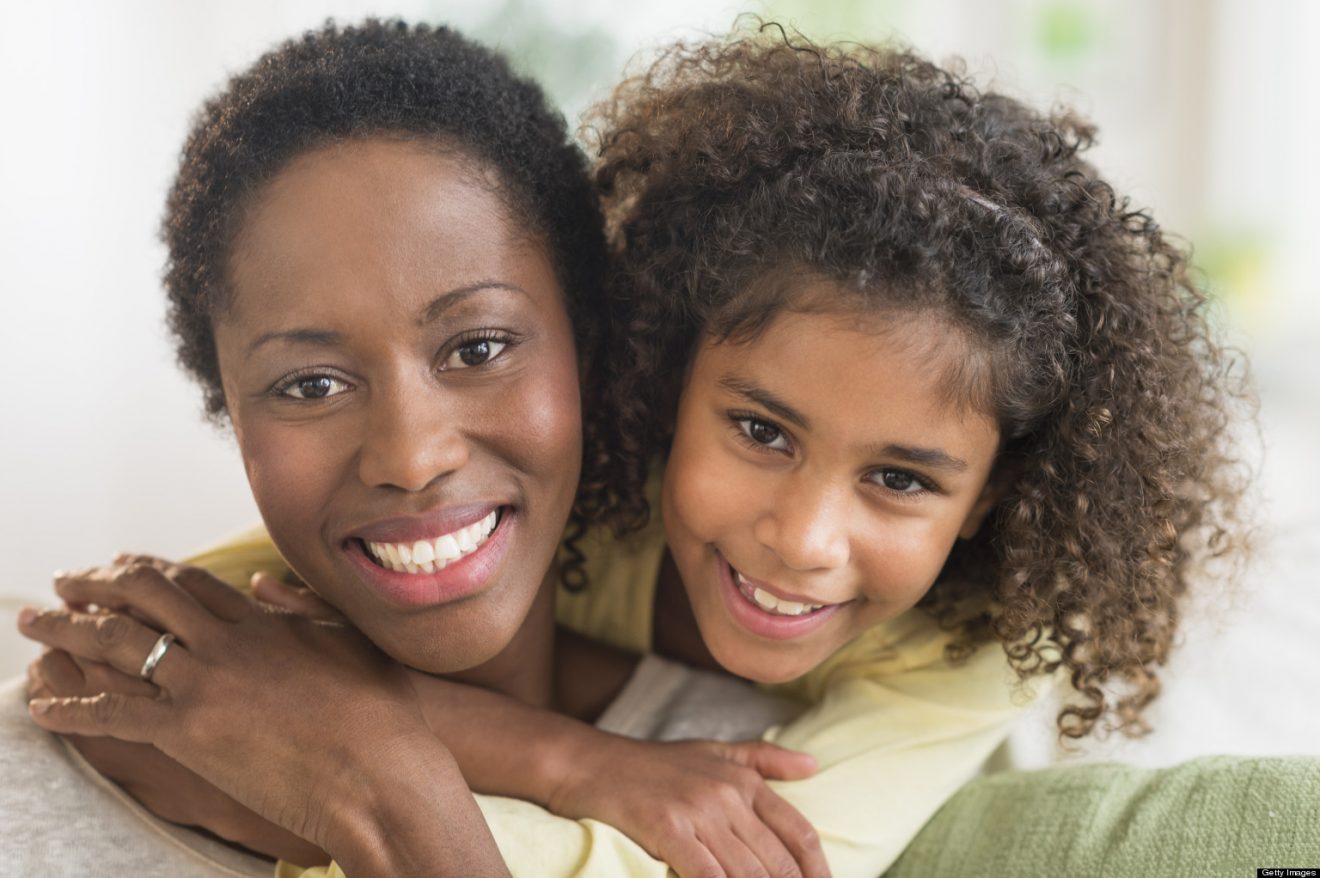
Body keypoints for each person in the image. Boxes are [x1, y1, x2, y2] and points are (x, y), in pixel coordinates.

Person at [20, 20, 1252, 878]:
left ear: (994, 495)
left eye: (900, 476)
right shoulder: (593, 509)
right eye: (760, 429)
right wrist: (558, 758)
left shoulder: (938, 674)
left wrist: (373, 777)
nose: (800, 533)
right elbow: (182, 655)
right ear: (657, 379)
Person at [9, 18, 828, 878]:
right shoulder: (51, 764)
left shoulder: (761, 786)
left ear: (590, 352)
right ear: (230, 412)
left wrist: (381, 780)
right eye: (312, 384)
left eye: (477, 349)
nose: (410, 455)